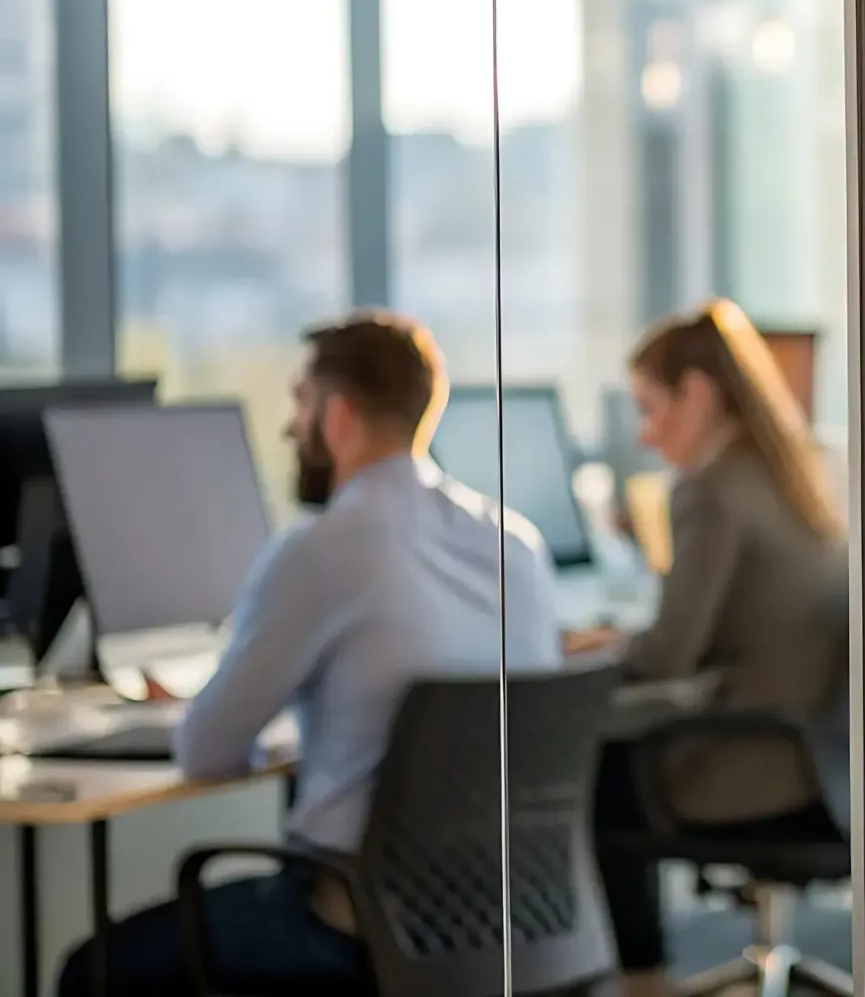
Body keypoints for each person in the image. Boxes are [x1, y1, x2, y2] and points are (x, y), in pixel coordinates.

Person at [57, 312, 562, 996]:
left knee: (92, 971)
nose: (290, 426)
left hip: (352, 920)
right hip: (504, 915)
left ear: (337, 416)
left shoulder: (323, 549)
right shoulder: (517, 545)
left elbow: (207, 750)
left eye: (299, 402)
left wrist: (230, 717)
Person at [566, 300, 848, 997]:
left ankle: (642, 981)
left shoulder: (712, 491)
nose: (647, 434)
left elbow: (666, 659)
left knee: (586, 769)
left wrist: (593, 647)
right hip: (823, 759)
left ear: (697, 393)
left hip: (758, 764)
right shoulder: (795, 472)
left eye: (649, 407)